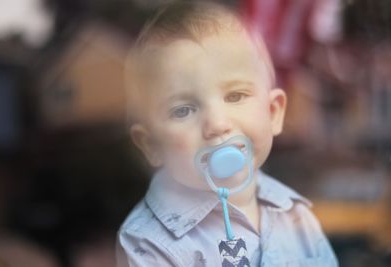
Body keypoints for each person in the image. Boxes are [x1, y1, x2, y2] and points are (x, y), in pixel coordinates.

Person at [117, 1, 338, 266]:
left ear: (273, 113)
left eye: (235, 95)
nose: (217, 124)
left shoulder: (296, 215)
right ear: (151, 144)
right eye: (184, 110)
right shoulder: (148, 244)